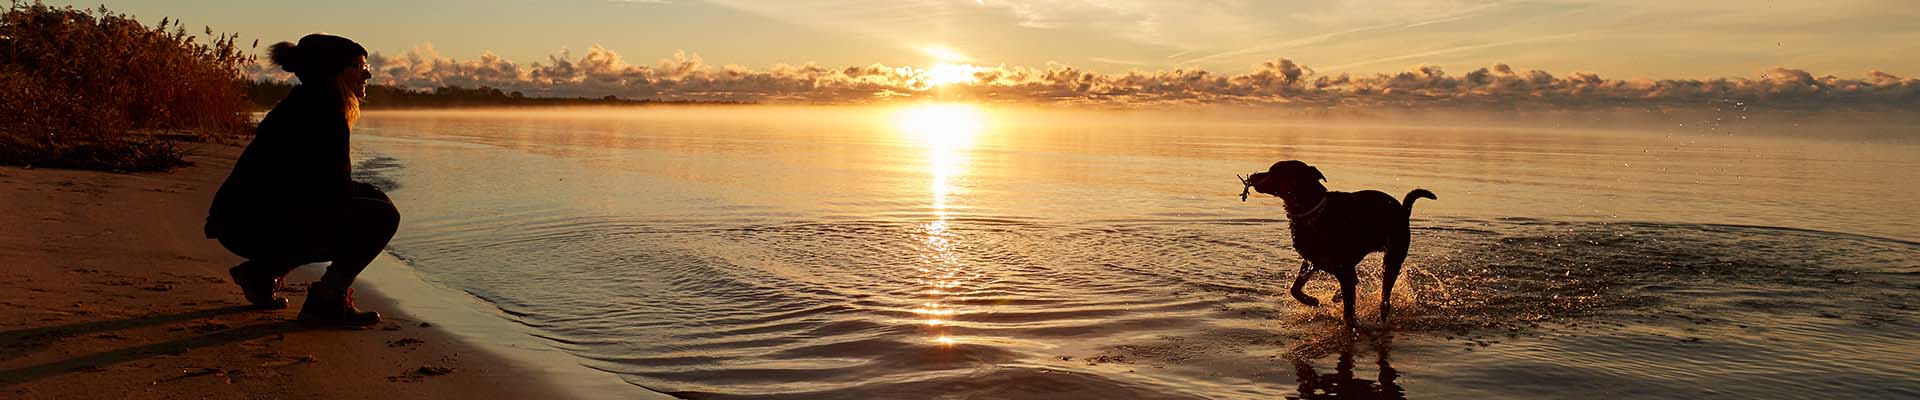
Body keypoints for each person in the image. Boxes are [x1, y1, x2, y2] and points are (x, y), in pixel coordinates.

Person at [205, 33, 394, 326]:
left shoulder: (308, 103)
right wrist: (372, 198)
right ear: (333, 70)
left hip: (241, 221)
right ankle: (327, 298)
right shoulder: (324, 112)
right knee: (382, 216)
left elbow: (314, 186)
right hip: (252, 223)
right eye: (358, 65)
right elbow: (330, 189)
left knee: (370, 204)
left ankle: (262, 273)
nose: (367, 73)